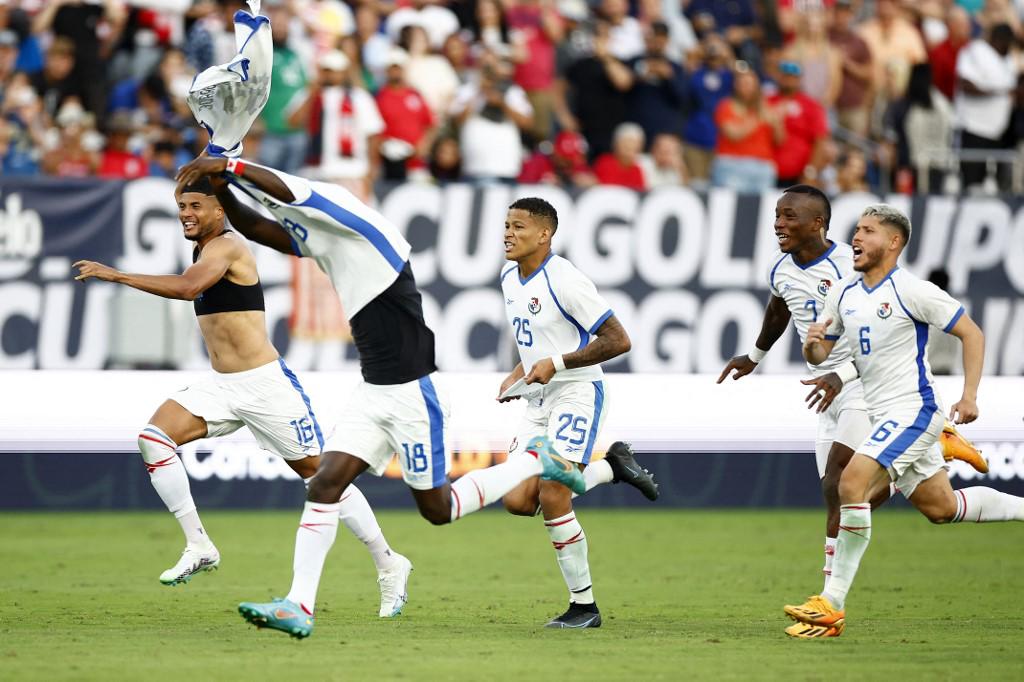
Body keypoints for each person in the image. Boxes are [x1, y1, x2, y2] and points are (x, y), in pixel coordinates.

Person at [173, 154, 586, 639]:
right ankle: (297, 605)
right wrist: (220, 186)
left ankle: (534, 460)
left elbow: (288, 193)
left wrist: (230, 164)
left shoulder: (360, 224)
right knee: (324, 485)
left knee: (438, 510)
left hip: (413, 392)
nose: (297, 220)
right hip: (373, 391)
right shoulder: (331, 241)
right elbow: (261, 228)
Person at [70, 177, 414, 619]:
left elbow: (187, 288)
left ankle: (389, 564)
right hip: (221, 386)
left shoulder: (227, 247)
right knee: (154, 438)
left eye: (195, 204)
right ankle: (199, 544)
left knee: (322, 479)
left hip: (265, 387)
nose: (186, 213)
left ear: (220, 210)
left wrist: (116, 274)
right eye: (181, 205)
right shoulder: (204, 246)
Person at [718, 187, 988, 625]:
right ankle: (930, 451)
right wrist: (757, 355)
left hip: (869, 386)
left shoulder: (854, 267)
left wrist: (839, 374)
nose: (778, 224)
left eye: (788, 216)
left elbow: (888, 337)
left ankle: (829, 603)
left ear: (817, 224)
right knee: (933, 507)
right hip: (827, 389)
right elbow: (780, 308)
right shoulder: (782, 269)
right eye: (776, 216)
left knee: (845, 485)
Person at [784, 203, 1024, 639]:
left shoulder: (912, 291)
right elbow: (821, 353)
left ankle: (831, 604)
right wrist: (813, 346)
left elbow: (972, 333)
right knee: (942, 508)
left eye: (869, 231)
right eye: (856, 230)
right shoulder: (844, 293)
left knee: (851, 484)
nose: (856, 238)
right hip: (884, 414)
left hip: (913, 410)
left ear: (893, 242)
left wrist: (970, 396)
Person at [497, 197, 657, 628]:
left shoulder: (565, 279)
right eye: (506, 225)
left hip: (577, 393)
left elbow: (618, 340)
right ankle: (613, 468)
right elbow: (532, 338)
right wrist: (519, 371)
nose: (508, 234)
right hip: (538, 398)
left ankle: (584, 607)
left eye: (519, 227)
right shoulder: (509, 276)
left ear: (545, 234)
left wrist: (558, 365)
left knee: (553, 492)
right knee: (516, 500)